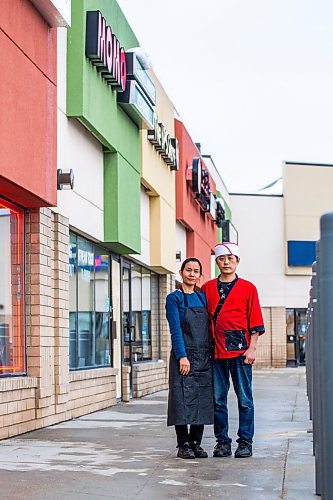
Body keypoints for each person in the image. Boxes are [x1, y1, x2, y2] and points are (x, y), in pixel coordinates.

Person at [201, 242, 265, 458]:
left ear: (237, 261)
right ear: (217, 261)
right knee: (218, 399)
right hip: (215, 351)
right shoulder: (207, 288)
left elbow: (255, 321)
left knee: (244, 398)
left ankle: (245, 441)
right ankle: (222, 442)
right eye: (222, 259)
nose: (226, 262)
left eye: (230, 259)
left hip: (240, 350)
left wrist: (252, 348)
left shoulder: (248, 288)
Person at [166, 258, 214, 459]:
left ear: (199, 275)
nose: (192, 274)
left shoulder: (203, 298)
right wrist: (182, 356)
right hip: (183, 356)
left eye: (196, 271)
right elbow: (175, 330)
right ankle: (183, 444)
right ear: (181, 272)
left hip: (203, 356)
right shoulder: (174, 298)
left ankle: (196, 443)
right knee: (181, 399)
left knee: (201, 399)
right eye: (188, 270)